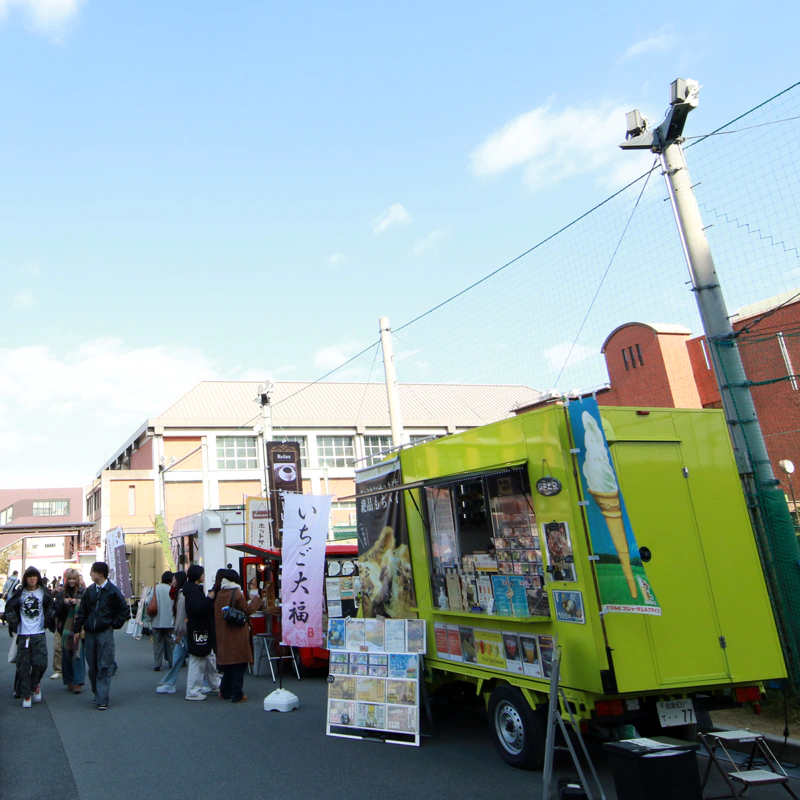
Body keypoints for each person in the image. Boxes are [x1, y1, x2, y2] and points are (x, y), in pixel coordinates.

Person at [72, 561, 128, 710]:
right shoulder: (89, 591)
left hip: (105, 632)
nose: (90, 574)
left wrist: (113, 624)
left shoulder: (113, 591)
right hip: (90, 632)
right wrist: (77, 629)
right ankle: (97, 693)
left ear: (101, 573)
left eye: (93, 571)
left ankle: (102, 699)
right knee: (92, 666)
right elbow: (82, 612)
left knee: (104, 665)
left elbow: (124, 610)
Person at [4, 566, 56, 708]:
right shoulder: (20, 593)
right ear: (25, 578)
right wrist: (12, 620)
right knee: (24, 666)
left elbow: (52, 607)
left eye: (34, 576)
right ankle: (27, 695)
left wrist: (51, 618)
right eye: (29, 576)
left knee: (41, 664)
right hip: (23, 634)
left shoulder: (44, 592)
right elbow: (9, 607)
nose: (32, 578)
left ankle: (35, 685)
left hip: (39, 633)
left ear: (38, 578)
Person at [214, 568, 261, 703]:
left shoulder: (220, 593)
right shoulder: (236, 593)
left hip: (223, 634)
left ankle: (224, 692)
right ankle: (237, 694)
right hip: (237, 634)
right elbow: (248, 610)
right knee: (240, 665)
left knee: (229, 666)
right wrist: (256, 600)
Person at [184, 565, 221, 700]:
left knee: (208, 656)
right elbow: (198, 609)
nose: (204, 576)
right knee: (198, 659)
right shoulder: (194, 592)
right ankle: (193, 691)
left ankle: (216, 684)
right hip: (199, 629)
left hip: (199, 628)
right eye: (202, 574)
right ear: (197, 576)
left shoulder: (191, 590)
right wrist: (209, 598)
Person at [156, 571, 188, 695]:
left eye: (174, 579)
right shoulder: (177, 593)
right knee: (178, 657)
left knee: (199, 659)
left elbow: (181, 615)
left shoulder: (181, 594)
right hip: (183, 630)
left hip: (183, 631)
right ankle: (170, 682)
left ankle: (208, 682)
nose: (172, 581)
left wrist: (179, 632)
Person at [54, 569, 86, 693]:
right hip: (65, 628)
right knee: (66, 655)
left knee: (77, 654)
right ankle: (69, 680)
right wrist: (64, 602)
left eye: (74, 579)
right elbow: (56, 610)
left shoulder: (83, 592)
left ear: (77, 579)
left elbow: (87, 607)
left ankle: (78, 682)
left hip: (79, 627)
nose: (72, 581)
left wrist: (78, 602)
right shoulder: (62, 593)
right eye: (70, 579)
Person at [145, 571, 174, 671]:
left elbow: (148, 601)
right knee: (171, 643)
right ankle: (172, 663)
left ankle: (157, 664)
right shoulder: (172, 589)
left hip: (157, 621)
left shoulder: (155, 588)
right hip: (169, 621)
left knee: (157, 644)